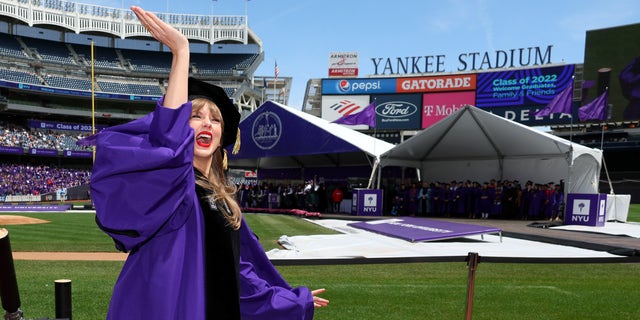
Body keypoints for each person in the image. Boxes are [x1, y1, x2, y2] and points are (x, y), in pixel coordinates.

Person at [79, 6, 327, 320]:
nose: (206, 124)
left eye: (215, 120)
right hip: (162, 309)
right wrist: (181, 52)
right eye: (195, 116)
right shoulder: (172, 185)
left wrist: (290, 300)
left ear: (224, 136)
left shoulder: (224, 202)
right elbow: (167, 145)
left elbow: (239, 275)